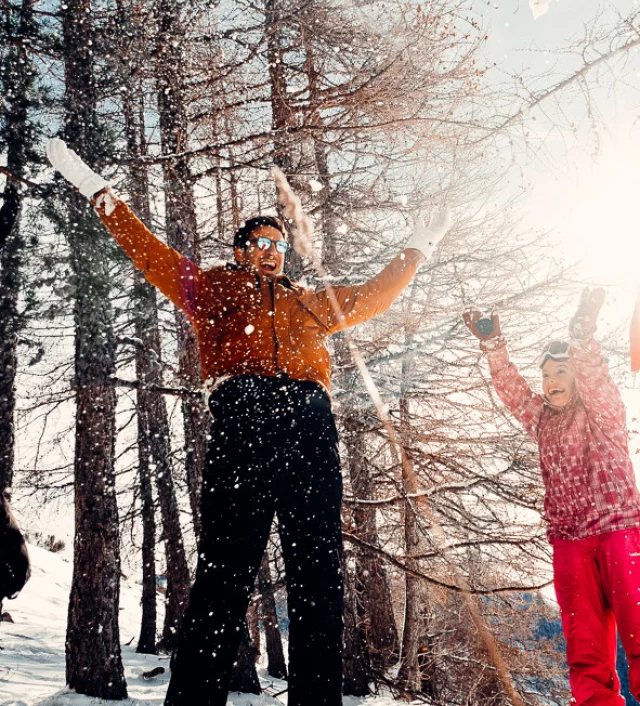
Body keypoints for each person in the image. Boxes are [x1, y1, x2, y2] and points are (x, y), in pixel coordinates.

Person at [46, 137, 450, 706]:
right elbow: (148, 252)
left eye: (278, 244)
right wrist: (96, 189)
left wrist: (419, 246)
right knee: (224, 575)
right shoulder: (212, 289)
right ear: (239, 251)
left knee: (319, 578)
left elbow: (375, 296)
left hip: (310, 427)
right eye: (259, 242)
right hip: (244, 419)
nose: (270, 251)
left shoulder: (310, 302)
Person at [464, 290, 640, 706]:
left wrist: (581, 338)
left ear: (577, 376)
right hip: (569, 541)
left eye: (561, 372)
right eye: (546, 375)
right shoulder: (542, 419)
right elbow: (512, 390)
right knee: (585, 649)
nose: (551, 382)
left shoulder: (603, 409)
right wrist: (493, 346)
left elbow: (595, 375)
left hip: (618, 531)